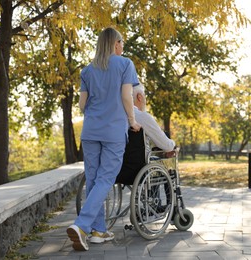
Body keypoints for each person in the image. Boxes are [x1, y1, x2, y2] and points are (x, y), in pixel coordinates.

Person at [66, 27, 141, 251]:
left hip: (90, 131)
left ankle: (98, 231)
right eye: (122, 42)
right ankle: (81, 226)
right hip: (113, 131)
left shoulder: (87, 71)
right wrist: (132, 121)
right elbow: (127, 96)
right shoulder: (125, 64)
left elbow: (81, 104)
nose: (123, 47)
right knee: (106, 179)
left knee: (94, 179)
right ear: (115, 43)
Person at [132, 83, 175, 156]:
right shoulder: (142, 117)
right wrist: (173, 144)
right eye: (144, 97)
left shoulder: (115, 117)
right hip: (139, 164)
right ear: (139, 97)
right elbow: (167, 146)